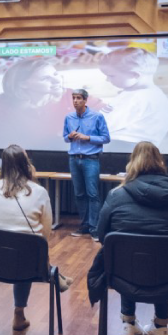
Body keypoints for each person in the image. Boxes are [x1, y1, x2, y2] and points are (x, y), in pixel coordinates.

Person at [89, 142, 168, 335]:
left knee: (127, 255)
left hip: (122, 276)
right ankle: (161, 325)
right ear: (160, 163)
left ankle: (128, 322)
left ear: (131, 163)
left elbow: (102, 235)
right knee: (163, 256)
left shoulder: (116, 195)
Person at [0, 145, 73, 331]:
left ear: (4, 165)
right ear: (26, 164)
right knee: (26, 251)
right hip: (27, 264)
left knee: (18, 248)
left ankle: (58, 277)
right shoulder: (38, 192)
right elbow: (45, 233)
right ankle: (20, 311)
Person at [99, 47, 168, 148]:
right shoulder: (140, 93)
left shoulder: (139, 98)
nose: (107, 80)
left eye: (111, 76)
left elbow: (106, 125)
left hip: (128, 146)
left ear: (134, 75)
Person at [63, 88, 111, 240]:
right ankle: (84, 226)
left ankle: (95, 228)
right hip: (74, 159)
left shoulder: (97, 116)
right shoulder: (69, 117)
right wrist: (70, 136)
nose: (75, 101)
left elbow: (106, 138)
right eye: (73, 98)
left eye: (78, 98)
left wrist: (87, 137)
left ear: (85, 100)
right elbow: (65, 137)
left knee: (92, 194)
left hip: (90, 159)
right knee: (79, 194)